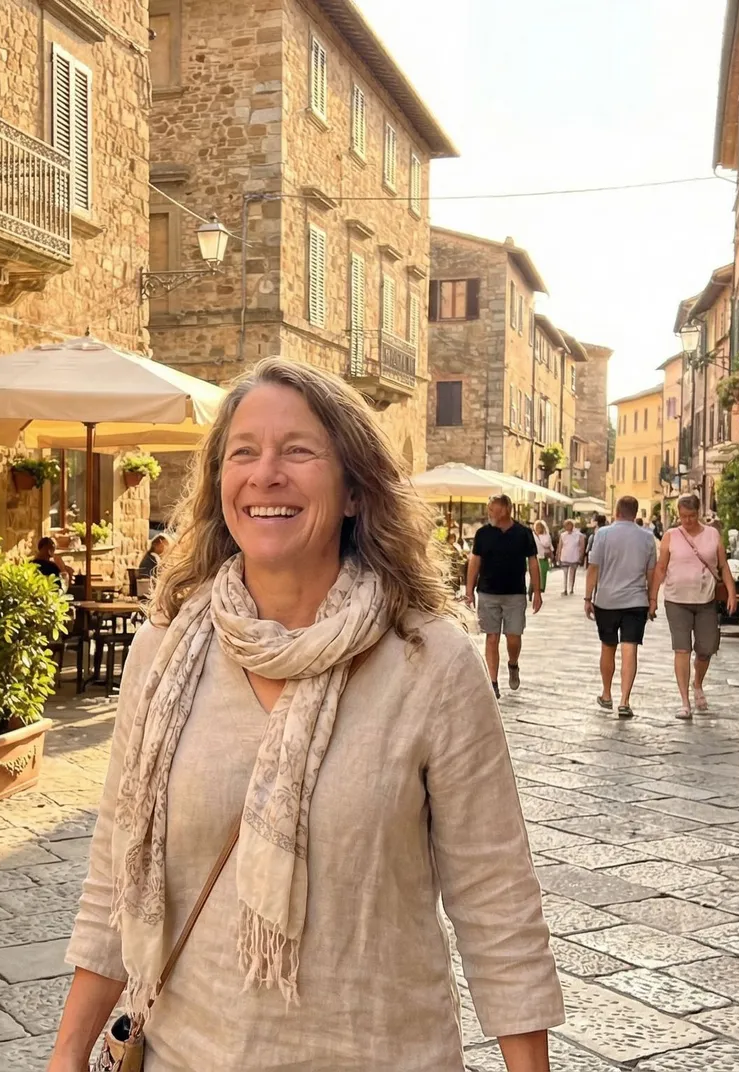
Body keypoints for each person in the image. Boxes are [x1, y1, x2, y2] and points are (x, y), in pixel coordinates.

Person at [52, 359, 561, 1072]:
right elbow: (116, 874)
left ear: (354, 491)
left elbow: (496, 896)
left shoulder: (429, 662)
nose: (266, 475)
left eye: (298, 451)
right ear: (220, 484)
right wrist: (67, 1054)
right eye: (244, 453)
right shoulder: (165, 654)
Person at [651, 494, 737, 719]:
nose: (687, 521)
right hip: (676, 600)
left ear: (699, 513)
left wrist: (731, 593)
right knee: (682, 649)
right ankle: (684, 702)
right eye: (683, 516)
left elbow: (723, 565)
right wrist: (652, 599)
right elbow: (661, 568)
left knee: (706, 649)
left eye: (691, 516)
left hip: (706, 600)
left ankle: (697, 683)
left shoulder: (712, 535)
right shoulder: (671, 536)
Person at [584, 496, 658, 719]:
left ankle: (607, 694)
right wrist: (652, 600)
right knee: (630, 648)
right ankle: (625, 700)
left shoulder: (603, 534)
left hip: (607, 600)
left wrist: (588, 598)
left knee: (608, 647)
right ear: (635, 513)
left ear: (616, 511)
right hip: (636, 601)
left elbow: (593, 568)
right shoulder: (647, 537)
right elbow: (652, 572)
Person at [465, 494, 543, 697]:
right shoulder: (483, 534)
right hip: (488, 592)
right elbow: (474, 562)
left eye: (492, 509)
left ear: (505, 510)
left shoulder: (523, 533)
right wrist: (469, 591)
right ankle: (493, 682)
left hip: (515, 594)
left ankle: (513, 663)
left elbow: (533, 562)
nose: (489, 513)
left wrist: (536, 591)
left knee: (513, 637)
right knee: (491, 637)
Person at [556, 518, 586, 596]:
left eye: (569, 525)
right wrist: (558, 556)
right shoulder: (563, 535)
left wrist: (580, 557)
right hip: (565, 556)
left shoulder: (578, 535)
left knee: (572, 573)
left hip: (574, 557)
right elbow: (560, 546)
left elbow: (581, 546)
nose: (567, 527)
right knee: (565, 573)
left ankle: (571, 588)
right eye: (566, 525)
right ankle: (565, 589)